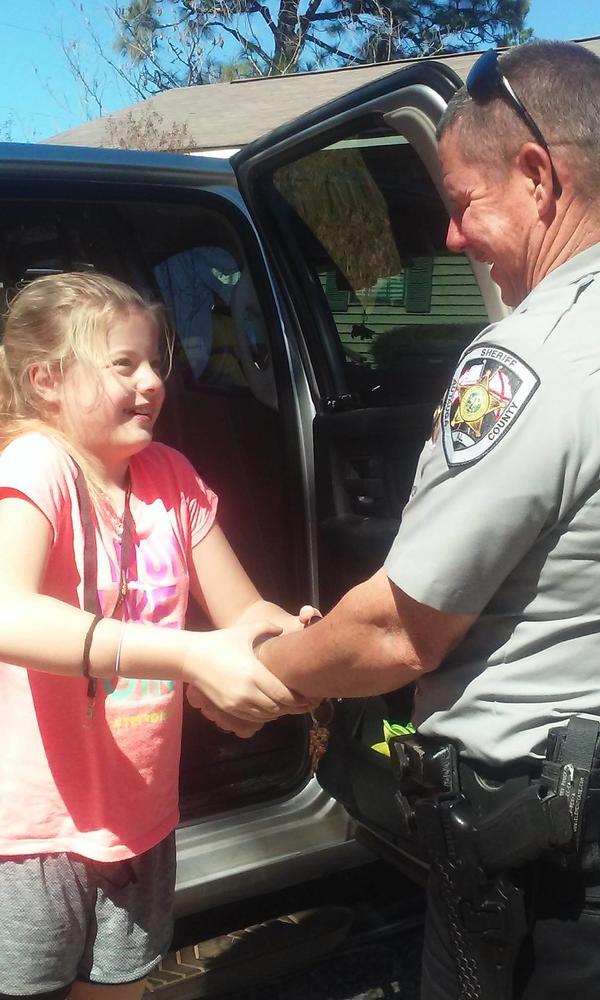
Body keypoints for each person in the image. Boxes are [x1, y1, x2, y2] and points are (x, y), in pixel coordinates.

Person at [215, 39, 600, 999]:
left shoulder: (532, 358)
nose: (453, 240)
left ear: (538, 175)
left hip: (544, 867)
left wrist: (258, 676)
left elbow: (398, 630)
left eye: (463, 205)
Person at [0, 271, 316, 1000]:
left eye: (155, 363)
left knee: (119, 989)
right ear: (45, 381)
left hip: (140, 819)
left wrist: (295, 657)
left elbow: (245, 615)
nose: (153, 382)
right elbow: (8, 613)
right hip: (32, 834)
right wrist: (189, 655)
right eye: (123, 365)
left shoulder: (169, 476)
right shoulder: (35, 465)